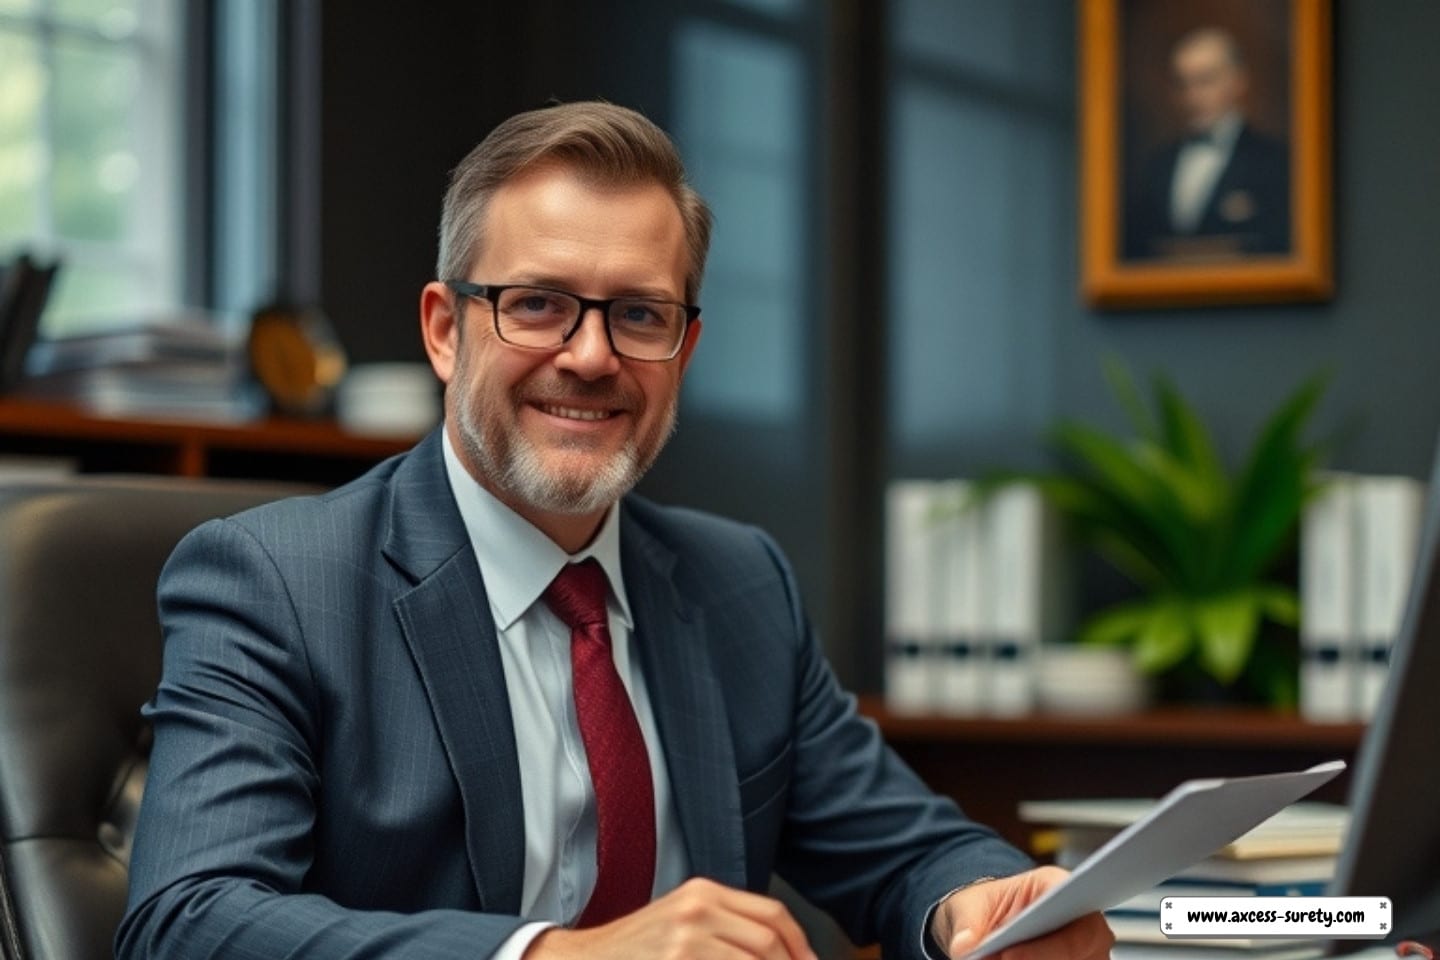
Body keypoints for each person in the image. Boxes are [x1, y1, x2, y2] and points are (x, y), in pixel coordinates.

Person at [117, 102, 1113, 960]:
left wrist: (978, 907)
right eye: (538, 305)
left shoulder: (740, 584)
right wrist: (555, 954)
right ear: (442, 328)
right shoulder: (275, 584)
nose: (591, 358)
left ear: (685, 348)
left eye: (640, 315)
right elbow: (188, 923)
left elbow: (909, 849)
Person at [1124, 26, 1291, 260]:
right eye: (1183, 84)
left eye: (1205, 81)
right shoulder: (1157, 166)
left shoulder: (1274, 161)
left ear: (1238, 81)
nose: (1193, 96)